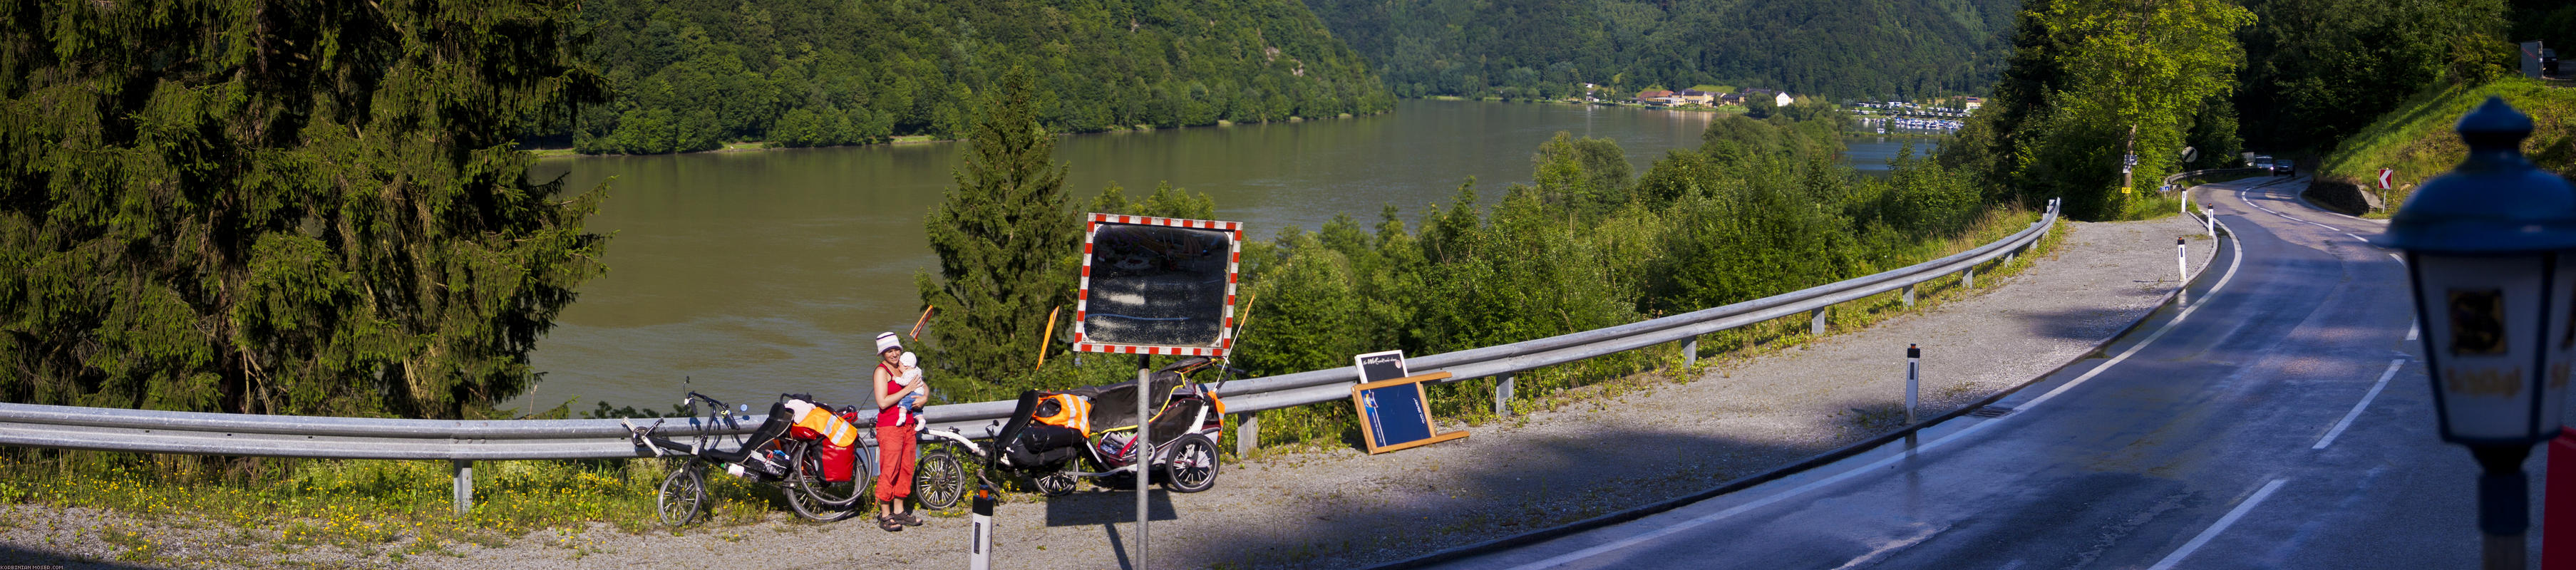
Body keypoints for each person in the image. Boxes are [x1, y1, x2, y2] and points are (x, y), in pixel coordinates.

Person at [872, 331, 927, 532]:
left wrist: (924, 398)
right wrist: (906, 390)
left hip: (909, 425)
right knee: (890, 470)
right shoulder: (881, 372)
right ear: (882, 353)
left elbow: (923, 386)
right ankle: (885, 514)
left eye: (896, 349)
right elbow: (883, 402)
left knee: (906, 468)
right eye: (889, 351)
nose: (893, 354)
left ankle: (899, 511)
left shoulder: (904, 367)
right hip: (889, 427)